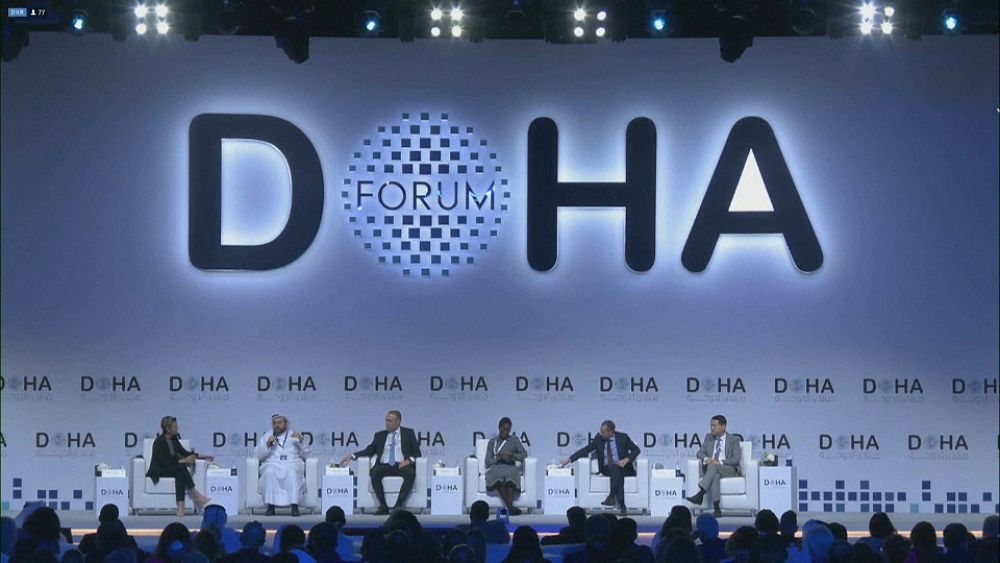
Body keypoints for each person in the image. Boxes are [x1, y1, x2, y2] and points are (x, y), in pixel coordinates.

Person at [340, 410, 421, 515]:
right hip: (384, 465)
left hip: (402, 465)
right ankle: (383, 505)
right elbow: (369, 450)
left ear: (398, 422)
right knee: (374, 473)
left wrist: (408, 461)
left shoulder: (408, 433)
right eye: (386, 420)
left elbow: (417, 453)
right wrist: (352, 456)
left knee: (410, 474)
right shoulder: (380, 435)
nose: (387, 423)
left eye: (390, 421)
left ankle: (399, 504)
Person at [560, 420, 640, 516]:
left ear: (611, 432)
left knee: (618, 473)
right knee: (616, 470)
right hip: (607, 469)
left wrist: (627, 459)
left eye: (603, 432)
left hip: (624, 468)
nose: (601, 434)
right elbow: (585, 450)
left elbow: (636, 450)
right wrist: (568, 460)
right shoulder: (598, 439)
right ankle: (620, 505)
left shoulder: (623, 437)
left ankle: (613, 498)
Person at [146, 416, 213, 517]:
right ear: (168, 429)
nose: (178, 428)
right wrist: (184, 460)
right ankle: (196, 495)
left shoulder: (174, 439)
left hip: (173, 468)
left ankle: (181, 508)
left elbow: (184, 452)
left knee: (180, 472)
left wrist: (203, 456)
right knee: (180, 467)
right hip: (160, 470)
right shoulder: (158, 442)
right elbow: (164, 462)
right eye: (175, 427)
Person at [684, 415, 741, 517]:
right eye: (711, 425)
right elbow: (699, 453)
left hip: (728, 469)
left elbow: (736, 459)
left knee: (713, 466)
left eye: (714, 426)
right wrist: (706, 459)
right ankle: (717, 508)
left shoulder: (734, 439)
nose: (712, 428)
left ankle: (700, 494)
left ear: (723, 426)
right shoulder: (708, 437)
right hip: (713, 470)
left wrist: (720, 462)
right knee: (715, 475)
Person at [255, 414, 310, 516]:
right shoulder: (267, 436)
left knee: (292, 472)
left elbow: (307, 454)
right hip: (273, 464)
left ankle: (294, 506)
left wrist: (302, 441)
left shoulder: (294, 436)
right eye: (274, 423)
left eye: (279, 423)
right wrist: (267, 444)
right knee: (270, 472)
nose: (277, 425)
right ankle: (270, 507)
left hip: (291, 463)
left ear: (286, 424)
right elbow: (257, 455)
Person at [484, 417, 529, 516]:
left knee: (510, 478)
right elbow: (488, 460)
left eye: (508, 430)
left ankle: (510, 508)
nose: (505, 432)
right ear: (499, 428)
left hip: (510, 466)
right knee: (498, 477)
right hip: (497, 467)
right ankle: (511, 508)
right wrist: (499, 458)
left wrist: (512, 456)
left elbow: (524, 454)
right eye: (503, 429)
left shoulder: (514, 440)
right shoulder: (493, 442)